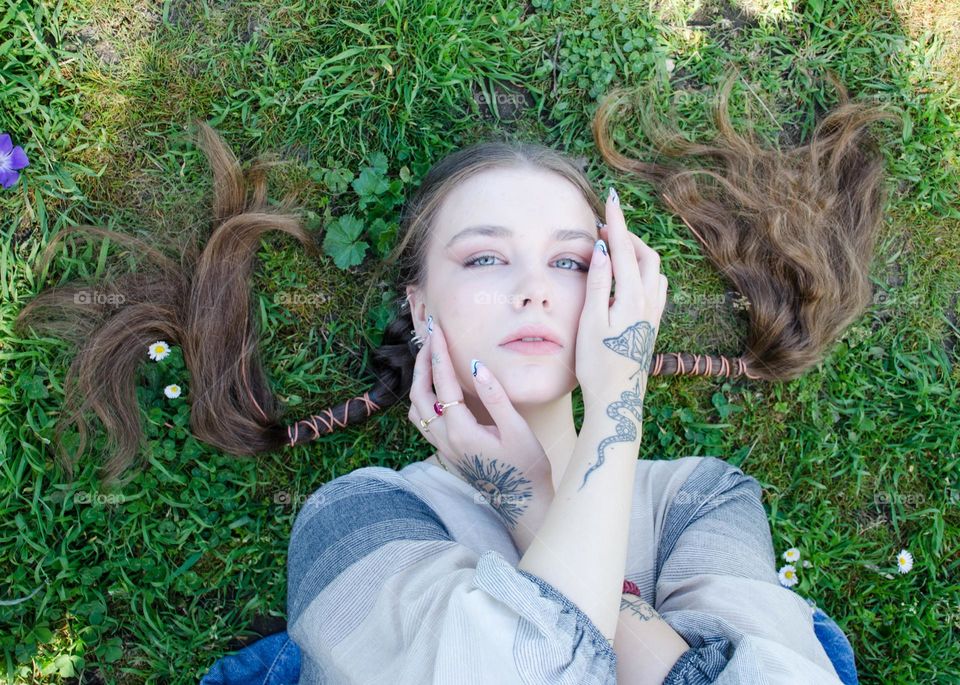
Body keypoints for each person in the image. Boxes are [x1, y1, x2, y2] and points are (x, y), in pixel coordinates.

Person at [17, 68, 897, 683]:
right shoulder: (357, 515)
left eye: (570, 262)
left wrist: (535, 493)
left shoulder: (703, 498)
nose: (531, 290)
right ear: (421, 307)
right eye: (483, 260)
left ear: (622, 294)